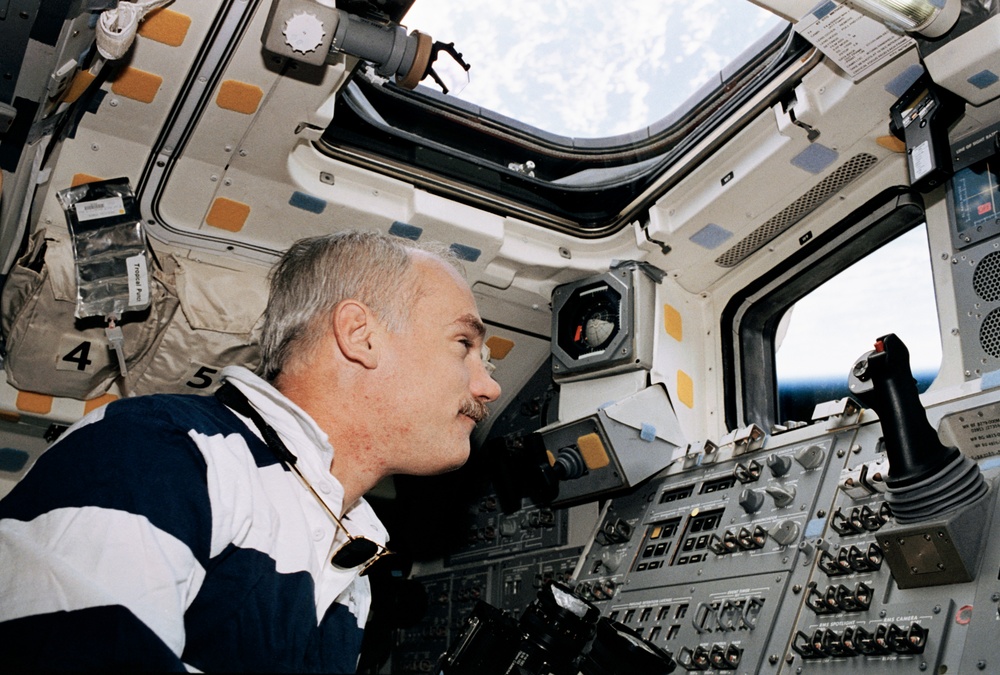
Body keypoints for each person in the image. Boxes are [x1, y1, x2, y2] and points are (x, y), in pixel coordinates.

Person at [0, 230, 502, 672]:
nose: (489, 388)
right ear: (360, 336)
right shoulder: (159, 449)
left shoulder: (352, 571)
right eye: (463, 344)